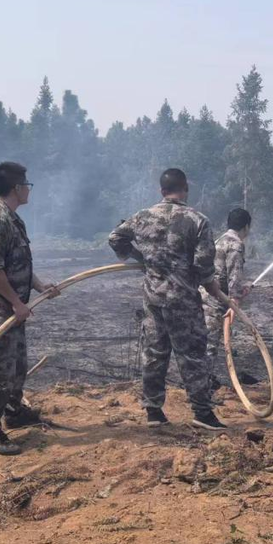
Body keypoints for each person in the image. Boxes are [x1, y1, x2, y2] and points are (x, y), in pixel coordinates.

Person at [109, 168, 231, 431]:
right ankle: (201, 412)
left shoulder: (142, 217)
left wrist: (139, 258)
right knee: (193, 356)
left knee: (154, 353)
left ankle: (153, 411)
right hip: (183, 301)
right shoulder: (197, 220)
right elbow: (203, 265)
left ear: (161, 191)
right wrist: (216, 291)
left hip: (153, 299)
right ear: (185, 189)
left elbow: (115, 237)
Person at [0, 161, 58, 455]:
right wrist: (16, 303)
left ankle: (14, 412)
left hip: (13, 309)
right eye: (27, 185)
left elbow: (17, 265)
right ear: (16, 188)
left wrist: (39, 286)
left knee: (17, 366)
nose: (28, 190)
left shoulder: (12, 219)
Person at [203, 207, 252, 383]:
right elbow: (234, 274)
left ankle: (205, 380)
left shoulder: (220, 240)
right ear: (246, 227)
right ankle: (204, 386)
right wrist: (235, 300)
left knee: (207, 339)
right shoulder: (236, 244)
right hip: (215, 300)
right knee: (210, 343)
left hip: (207, 296)